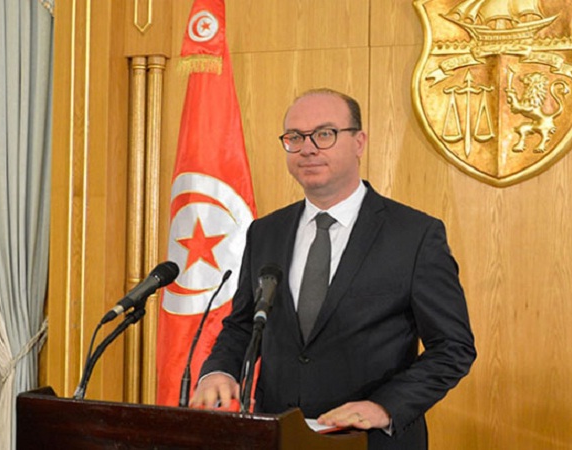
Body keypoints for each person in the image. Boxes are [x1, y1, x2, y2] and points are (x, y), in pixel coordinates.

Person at [190, 88, 476, 450]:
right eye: (295, 137)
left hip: (372, 441)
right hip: (279, 437)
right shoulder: (266, 231)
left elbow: (452, 347)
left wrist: (384, 407)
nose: (307, 149)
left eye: (324, 134)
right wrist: (219, 370)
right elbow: (244, 324)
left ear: (359, 142)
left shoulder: (414, 235)